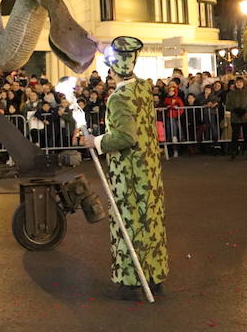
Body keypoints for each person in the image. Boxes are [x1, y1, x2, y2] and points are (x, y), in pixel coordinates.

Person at [86, 36, 168, 300]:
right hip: (150, 170)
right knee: (151, 221)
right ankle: (153, 276)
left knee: (129, 222)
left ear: (112, 72)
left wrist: (95, 141)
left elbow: (124, 137)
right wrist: (103, 47)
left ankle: (131, 280)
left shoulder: (119, 98)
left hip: (129, 173)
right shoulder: (143, 88)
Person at [225, 77, 247, 160]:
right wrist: (234, 110)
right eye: (237, 82)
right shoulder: (230, 94)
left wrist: (245, 110)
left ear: (243, 83)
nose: (239, 84)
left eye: (241, 82)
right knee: (235, 135)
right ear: (235, 84)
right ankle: (233, 152)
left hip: (246, 117)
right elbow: (227, 105)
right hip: (235, 117)